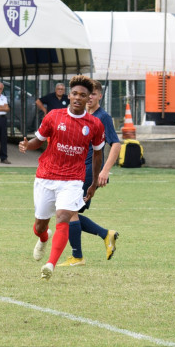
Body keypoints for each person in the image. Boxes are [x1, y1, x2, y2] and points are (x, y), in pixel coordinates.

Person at [18, 75, 105, 280]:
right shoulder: (53, 116)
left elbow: (98, 154)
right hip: (46, 176)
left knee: (64, 216)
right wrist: (26, 145)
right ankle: (43, 238)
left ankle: (51, 264)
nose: (78, 98)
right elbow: (38, 141)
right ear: (69, 95)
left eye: (83, 95)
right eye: (74, 93)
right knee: (40, 225)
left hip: (73, 179)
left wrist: (93, 183)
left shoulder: (94, 124)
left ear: (88, 99)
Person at [58, 79, 121, 267]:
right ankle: (105, 234)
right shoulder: (82, 116)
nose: (89, 97)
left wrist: (105, 170)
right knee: (69, 212)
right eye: (87, 94)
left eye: (93, 94)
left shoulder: (102, 117)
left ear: (99, 96)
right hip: (74, 170)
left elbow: (116, 144)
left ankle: (77, 257)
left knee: (68, 211)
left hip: (87, 172)